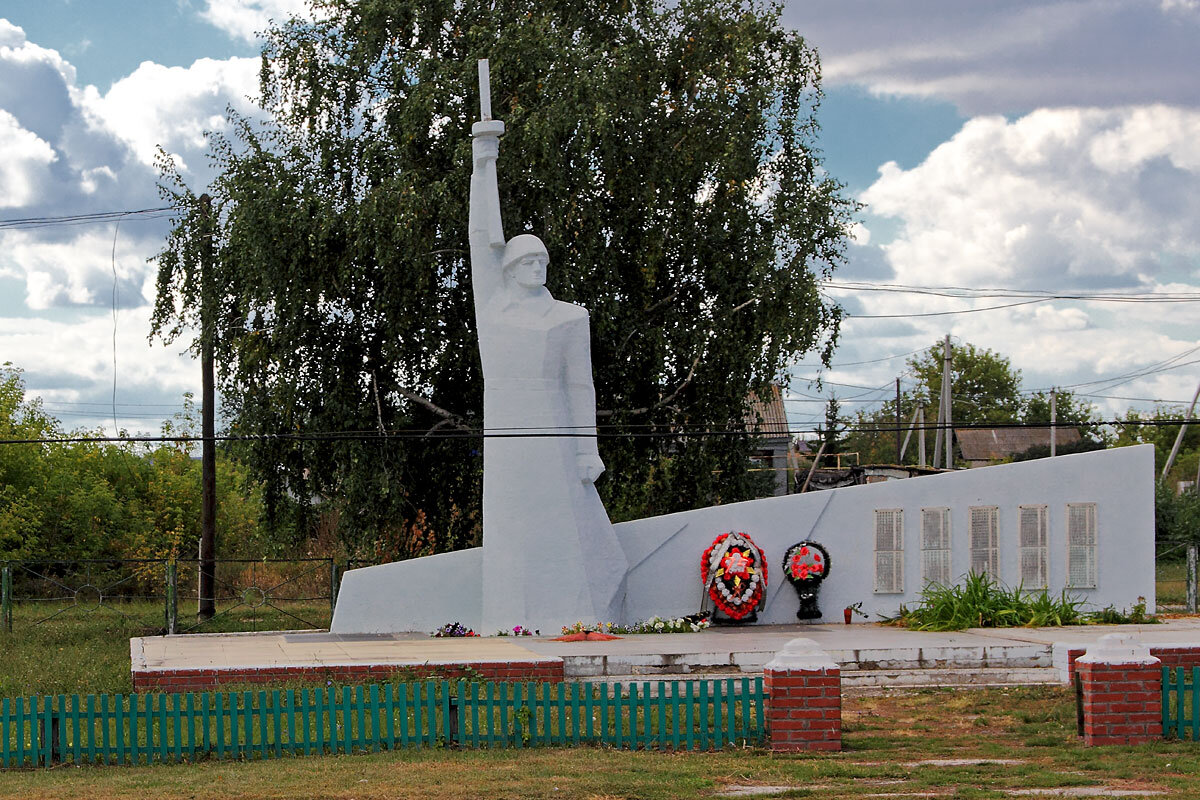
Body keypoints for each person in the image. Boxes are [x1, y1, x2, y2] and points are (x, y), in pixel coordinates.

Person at [469, 109, 627, 630]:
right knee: (514, 532)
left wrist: (588, 448)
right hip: (507, 432)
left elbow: (581, 385)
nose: (538, 268)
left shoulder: (568, 317)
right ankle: (513, 622)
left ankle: (577, 617)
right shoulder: (493, 310)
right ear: (511, 270)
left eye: (543, 261)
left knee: (569, 530)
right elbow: (480, 238)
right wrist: (483, 161)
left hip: (556, 428)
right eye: (528, 262)